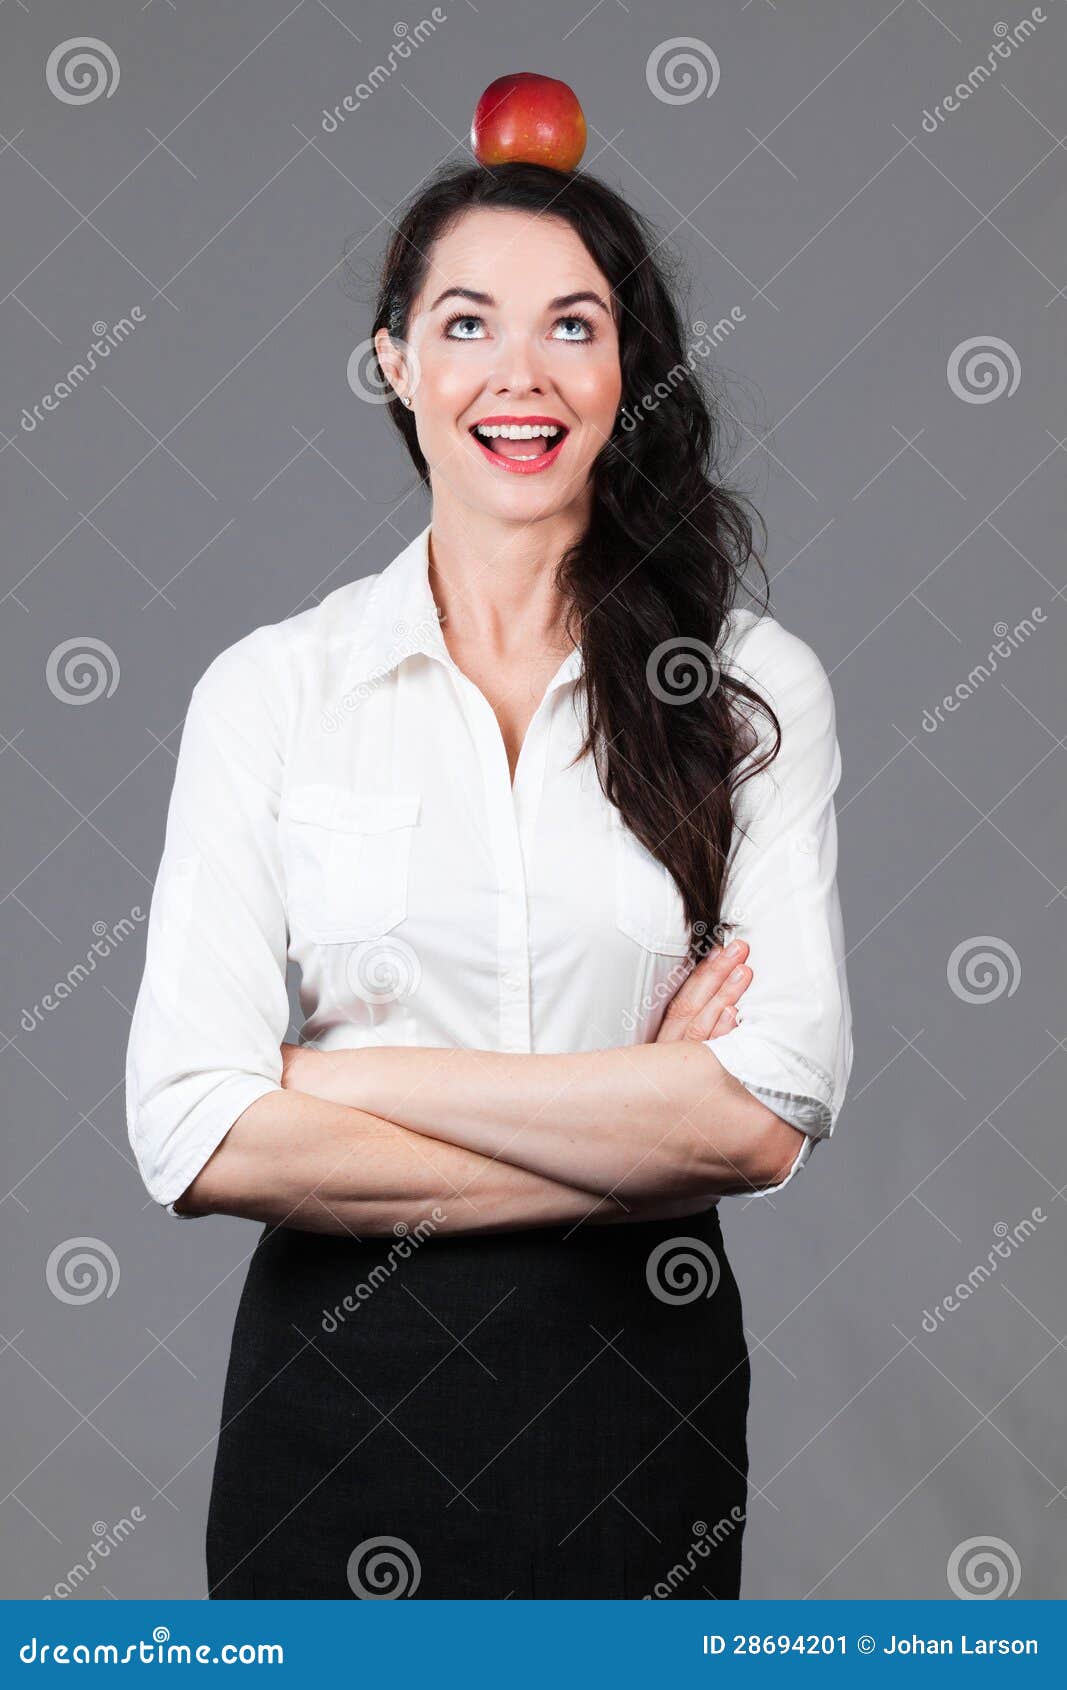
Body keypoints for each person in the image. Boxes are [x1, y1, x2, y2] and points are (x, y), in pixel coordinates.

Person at [125, 158, 853, 1600]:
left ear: (627, 364)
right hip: (336, 1407)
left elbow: (768, 1114)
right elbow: (194, 1133)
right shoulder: (273, 690)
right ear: (394, 360)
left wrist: (325, 1081)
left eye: (574, 325)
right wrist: (635, 1126)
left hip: (639, 1406)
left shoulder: (750, 687)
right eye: (467, 323)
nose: (520, 374)